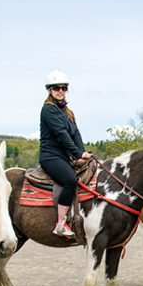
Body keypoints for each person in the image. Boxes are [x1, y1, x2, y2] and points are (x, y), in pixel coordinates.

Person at [38, 70, 92, 238]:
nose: (60, 91)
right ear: (49, 90)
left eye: (64, 88)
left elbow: (75, 134)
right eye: (56, 88)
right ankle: (60, 223)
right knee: (70, 181)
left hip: (65, 157)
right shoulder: (49, 110)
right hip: (51, 157)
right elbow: (62, 135)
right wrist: (77, 155)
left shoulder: (67, 112)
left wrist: (82, 153)